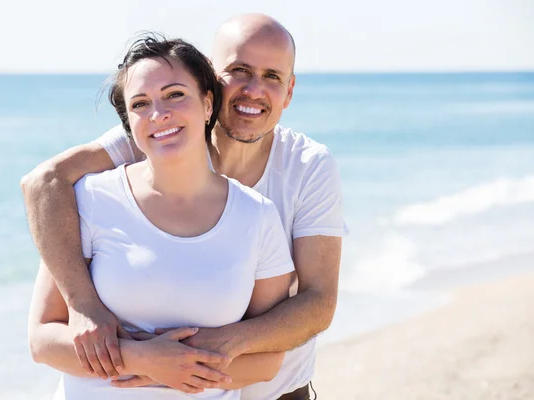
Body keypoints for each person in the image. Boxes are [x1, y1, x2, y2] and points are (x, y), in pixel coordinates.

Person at [22, 14, 348, 400]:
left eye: (272, 77)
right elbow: (44, 182)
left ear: (289, 91)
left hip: (275, 391)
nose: (253, 89)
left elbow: (318, 302)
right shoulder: (159, 132)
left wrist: (195, 354)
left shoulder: (303, 169)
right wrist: (86, 307)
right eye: (239, 70)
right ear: (211, 77)